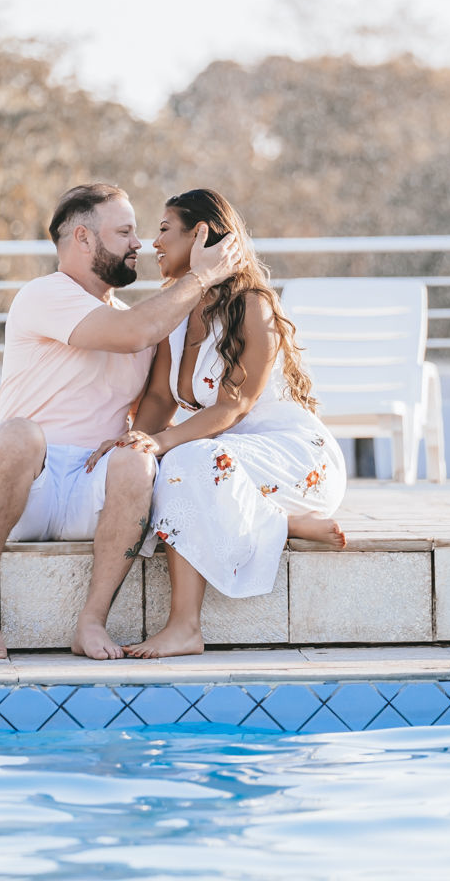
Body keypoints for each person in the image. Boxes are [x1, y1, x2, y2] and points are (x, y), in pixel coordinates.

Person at [0, 182, 241, 662]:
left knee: (137, 459)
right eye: (125, 232)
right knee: (18, 434)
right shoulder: (44, 295)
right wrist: (201, 276)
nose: (139, 244)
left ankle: (91, 622)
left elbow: (157, 400)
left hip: (94, 491)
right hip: (30, 486)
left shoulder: (141, 320)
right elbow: (133, 333)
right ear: (83, 238)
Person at [86, 188, 347, 659]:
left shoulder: (252, 305)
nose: (153, 243)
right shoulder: (177, 309)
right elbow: (162, 397)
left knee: (184, 460)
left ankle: (184, 627)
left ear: (201, 234)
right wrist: (135, 442)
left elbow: (234, 406)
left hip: (291, 457)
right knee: (162, 466)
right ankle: (279, 524)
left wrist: (161, 443)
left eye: (165, 229)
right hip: (222, 457)